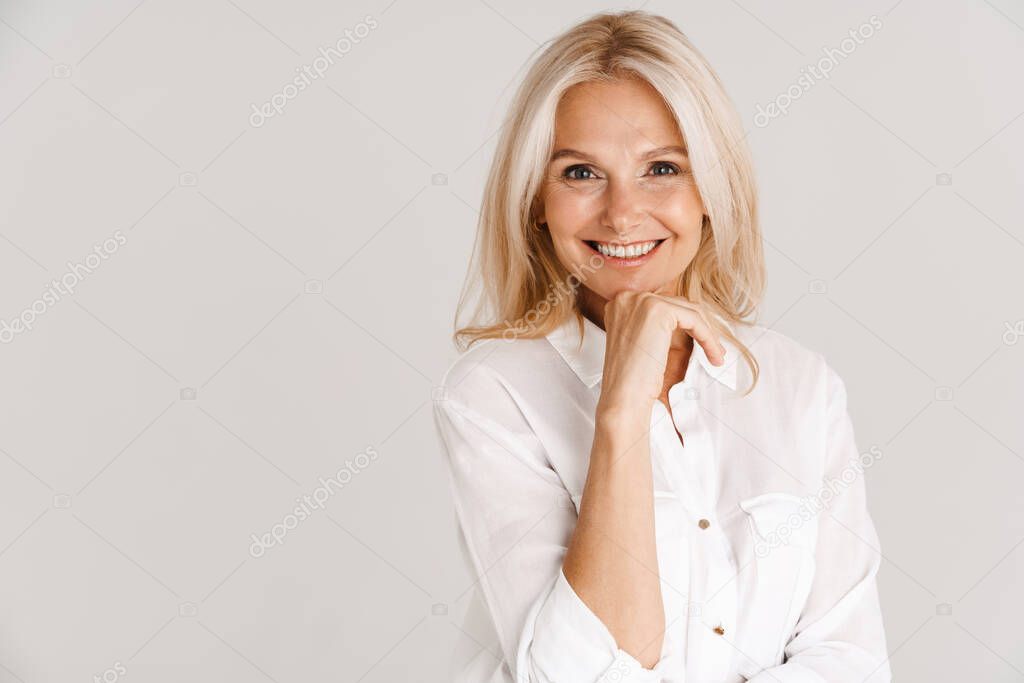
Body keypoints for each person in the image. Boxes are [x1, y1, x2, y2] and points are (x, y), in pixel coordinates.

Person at [433, 10, 889, 683]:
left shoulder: (799, 385)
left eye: (662, 168)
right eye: (581, 173)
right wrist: (620, 415)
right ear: (537, 199)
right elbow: (572, 674)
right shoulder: (492, 394)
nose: (622, 213)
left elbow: (852, 661)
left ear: (711, 188)